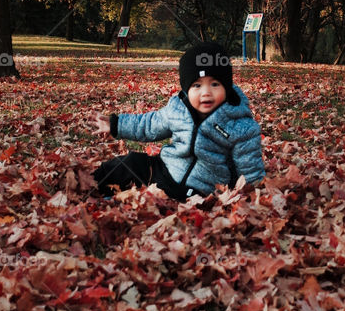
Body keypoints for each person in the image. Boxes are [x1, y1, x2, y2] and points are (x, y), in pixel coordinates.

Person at [92, 40, 265, 199]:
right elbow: (149, 125)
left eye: (215, 84)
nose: (206, 92)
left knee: (172, 202)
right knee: (130, 162)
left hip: (200, 190)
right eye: (197, 85)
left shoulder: (241, 126)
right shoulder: (178, 108)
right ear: (187, 89)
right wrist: (116, 125)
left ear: (226, 87)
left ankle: (126, 201)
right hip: (166, 169)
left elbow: (249, 169)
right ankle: (90, 184)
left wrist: (251, 195)